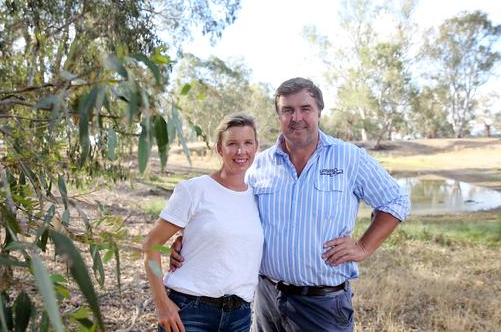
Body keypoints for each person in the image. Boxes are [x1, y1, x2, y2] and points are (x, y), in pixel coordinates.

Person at [170, 78, 410, 332]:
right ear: (279, 116)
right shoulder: (259, 165)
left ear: (319, 111)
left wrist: (363, 246)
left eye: (305, 108)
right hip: (267, 299)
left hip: (323, 304)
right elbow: (230, 206)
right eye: (288, 110)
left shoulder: (348, 158)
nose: (297, 117)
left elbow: (396, 200)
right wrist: (189, 236)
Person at [143, 113, 264, 332]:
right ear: (220, 148)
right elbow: (152, 244)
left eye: (247, 143)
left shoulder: (257, 197)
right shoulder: (194, 190)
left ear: (256, 147)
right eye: (232, 144)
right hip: (191, 312)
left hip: (239, 315)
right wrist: (162, 305)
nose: (241, 151)